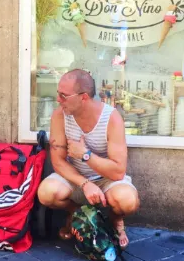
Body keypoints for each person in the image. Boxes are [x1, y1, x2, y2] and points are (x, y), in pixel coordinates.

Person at [37, 69, 140, 247]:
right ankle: (79, 215)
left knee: (128, 201)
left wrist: (85, 155)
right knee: (46, 193)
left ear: (83, 97)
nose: (58, 100)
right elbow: (58, 162)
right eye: (58, 94)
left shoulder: (111, 118)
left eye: (63, 95)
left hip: (106, 181)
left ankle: (115, 219)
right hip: (75, 179)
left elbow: (118, 171)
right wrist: (85, 184)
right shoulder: (59, 115)